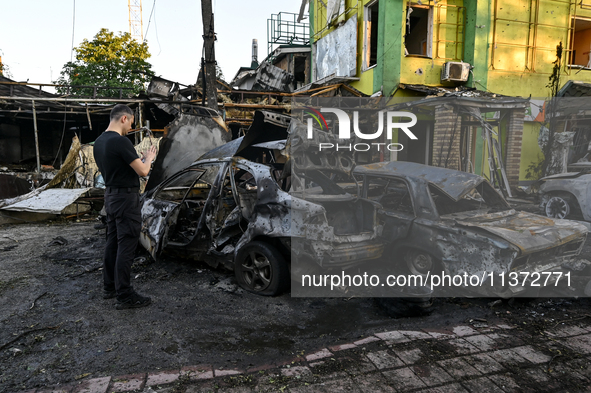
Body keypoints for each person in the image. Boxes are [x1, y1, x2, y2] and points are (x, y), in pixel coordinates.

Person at [93, 104, 157, 310]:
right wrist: (150, 158)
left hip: (110, 197)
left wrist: (142, 160)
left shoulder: (99, 142)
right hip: (125, 199)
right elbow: (143, 172)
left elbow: (122, 167)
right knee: (127, 244)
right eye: (131, 122)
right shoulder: (120, 142)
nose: (131, 127)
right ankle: (125, 294)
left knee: (112, 242)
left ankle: (109, 287)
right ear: (124, 118)